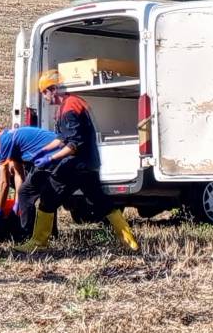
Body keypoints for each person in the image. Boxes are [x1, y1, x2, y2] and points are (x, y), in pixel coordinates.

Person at [16, 69, 139, 253]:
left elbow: (73, 145)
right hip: (89, 164)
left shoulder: (69, 108)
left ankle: (38, 243)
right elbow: (61, 138)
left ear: (53, 89)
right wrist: (43, 150)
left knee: (48, 197)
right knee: (101, 202)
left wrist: (51, 158)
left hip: (76, 164)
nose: (43, 97)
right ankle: (129, 242)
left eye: (44, 92)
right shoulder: (70, 104)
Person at [0, 123, 64, 239]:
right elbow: (19, 175)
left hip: (50, 155)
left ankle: (26, 234)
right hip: (60, 150)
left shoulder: (1, 144)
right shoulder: (11, 137)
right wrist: (16, 204)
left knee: (25, 193)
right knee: (47, 195)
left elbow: (4, 183)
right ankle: (51, 233)